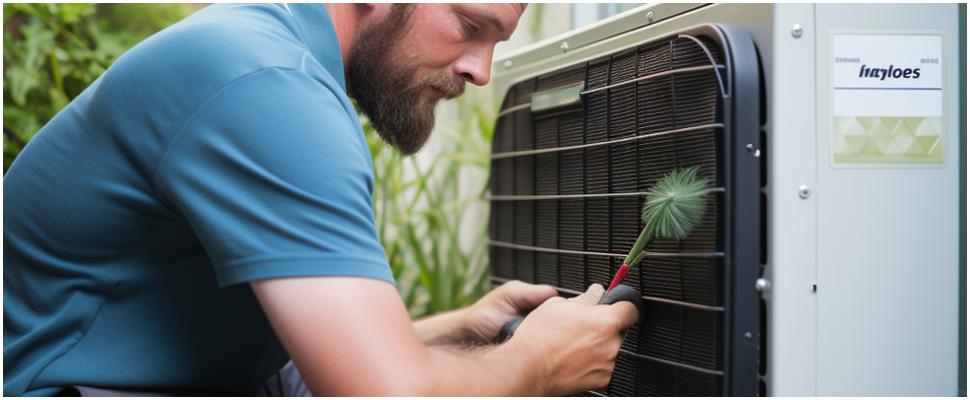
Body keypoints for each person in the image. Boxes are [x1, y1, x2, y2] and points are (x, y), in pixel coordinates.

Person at [3, 3, 639, 396]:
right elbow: (382, 396)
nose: (481, 70)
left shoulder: (270, 53)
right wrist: (537, 361)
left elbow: (260, 357)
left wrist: (454, 329)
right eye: (471, 26)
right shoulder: (267, 85)